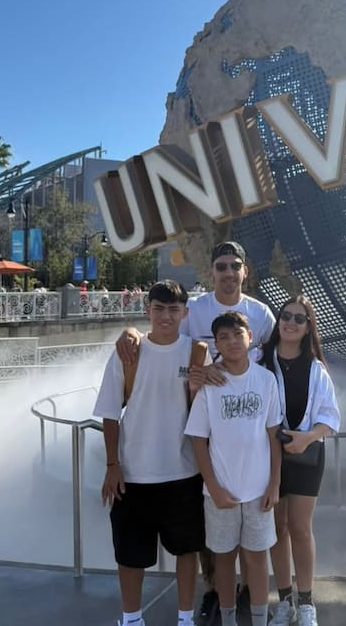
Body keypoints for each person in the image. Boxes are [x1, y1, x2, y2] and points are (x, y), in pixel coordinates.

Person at [115, 240, 276, 624]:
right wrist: (130, 330)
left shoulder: (261, 314)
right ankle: (214, 592)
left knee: (253, 530)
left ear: (244, 270)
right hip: (205, 424)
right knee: (211, 529)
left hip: (249, 427)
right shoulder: (197, 310)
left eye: (234, 265)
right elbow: (166, 335)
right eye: (221, 266)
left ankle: (252, 596)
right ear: (211, 271)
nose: (228, 272)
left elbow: (282, 352)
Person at [93, 280, 209, 626]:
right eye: (158, 309)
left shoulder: (196, 353)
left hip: (183, 471)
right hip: (133, 473)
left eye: (173, 309)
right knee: (130, 554)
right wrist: (113, 464)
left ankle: (185, 618)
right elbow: (110, 413)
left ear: (185, 313)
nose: (165, 316)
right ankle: (132, 619)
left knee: (187, 549)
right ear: (148, 311)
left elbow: (208, 408)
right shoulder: (129, 352)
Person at [185, 311, 282, 626]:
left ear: (250, 337)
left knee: (257, 559)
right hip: (220, 493)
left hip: (258, 491)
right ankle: (228, 620)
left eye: (237, 334)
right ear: (216, 344)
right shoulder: (211, 384)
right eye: (223, 337)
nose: (232, 342)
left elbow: (273, 435)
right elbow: (198, 439)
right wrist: (213, 487)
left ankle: (258, 620)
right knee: (224, 559)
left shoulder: (265, 380)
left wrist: (274, 484)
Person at [260, 296, 340, 626]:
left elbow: (330, 419)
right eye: (286, 316)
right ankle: (285, 602)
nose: (291, 322)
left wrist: (306, 438)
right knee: (276, 528)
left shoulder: (316, 369)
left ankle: (306, 602)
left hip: (306, 455)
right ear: (278, 320)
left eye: (299, 318)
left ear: (308, 328)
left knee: (300, 528)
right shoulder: (260, 361)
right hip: (269, 456)